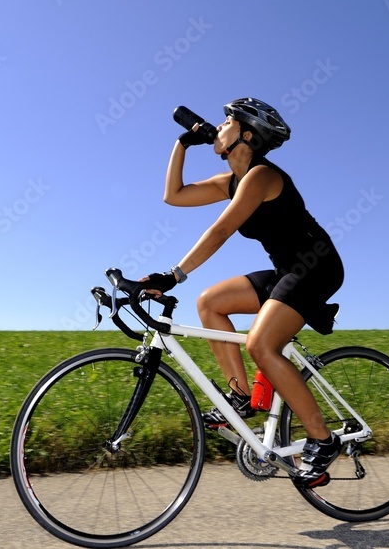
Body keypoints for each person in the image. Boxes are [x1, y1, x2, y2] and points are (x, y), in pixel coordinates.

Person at [143, 97, 345, 485]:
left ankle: (323, 439)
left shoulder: (262, 176)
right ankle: (240, 398)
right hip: (287, 271)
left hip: (317, 266)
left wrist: (174, 275)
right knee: (210, 303)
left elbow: (220, 231)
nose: (218, 128)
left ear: (246, 135)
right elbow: (175, 195)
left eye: (226, 123)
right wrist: (183, 143)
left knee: (260, 345)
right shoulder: (232, 181)